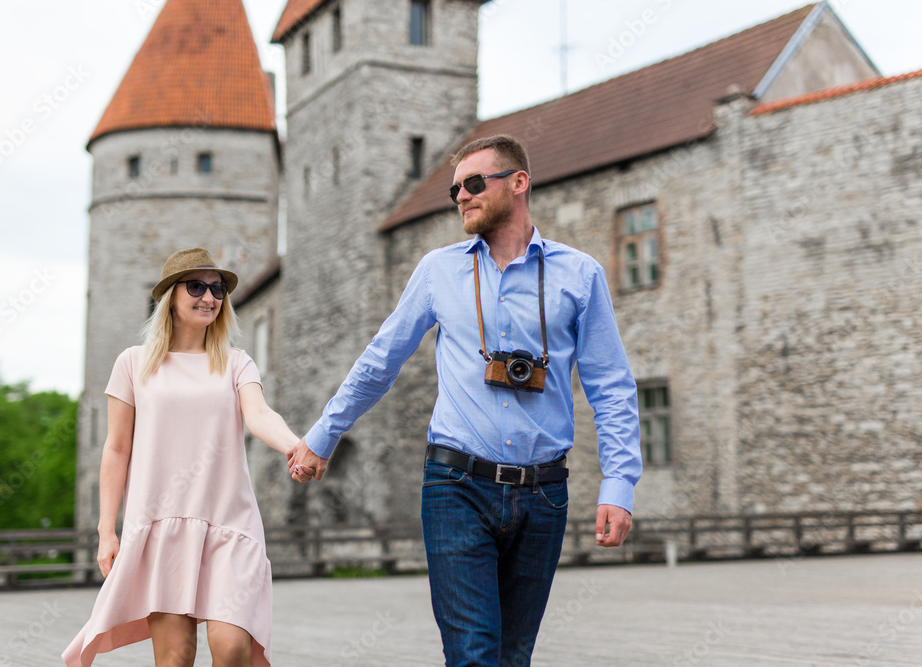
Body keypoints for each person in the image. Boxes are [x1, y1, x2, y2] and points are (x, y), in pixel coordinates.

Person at [287, 135, 643, 666]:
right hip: (455, 486)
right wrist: (324, 434)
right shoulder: (438, 271)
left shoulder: (580, 275)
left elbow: (611, 385)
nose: (461, 196)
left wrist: (619, 483)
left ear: (518, 183)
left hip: (544, 493)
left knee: (512, 656)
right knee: (474, 654)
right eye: (456, 188)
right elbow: (380, 360)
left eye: (474, 183)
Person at [64, 247, 305, 667]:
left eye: (217, 289)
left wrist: (295, 445)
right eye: (196, 286)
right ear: (169, 296)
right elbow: (117, 448)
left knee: (232, 648)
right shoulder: (133, 363)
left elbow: (260, 414)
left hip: (228, 523)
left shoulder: (236, 363)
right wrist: (107, 530)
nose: (209, 297)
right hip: (162, 527)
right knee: (176, 656)